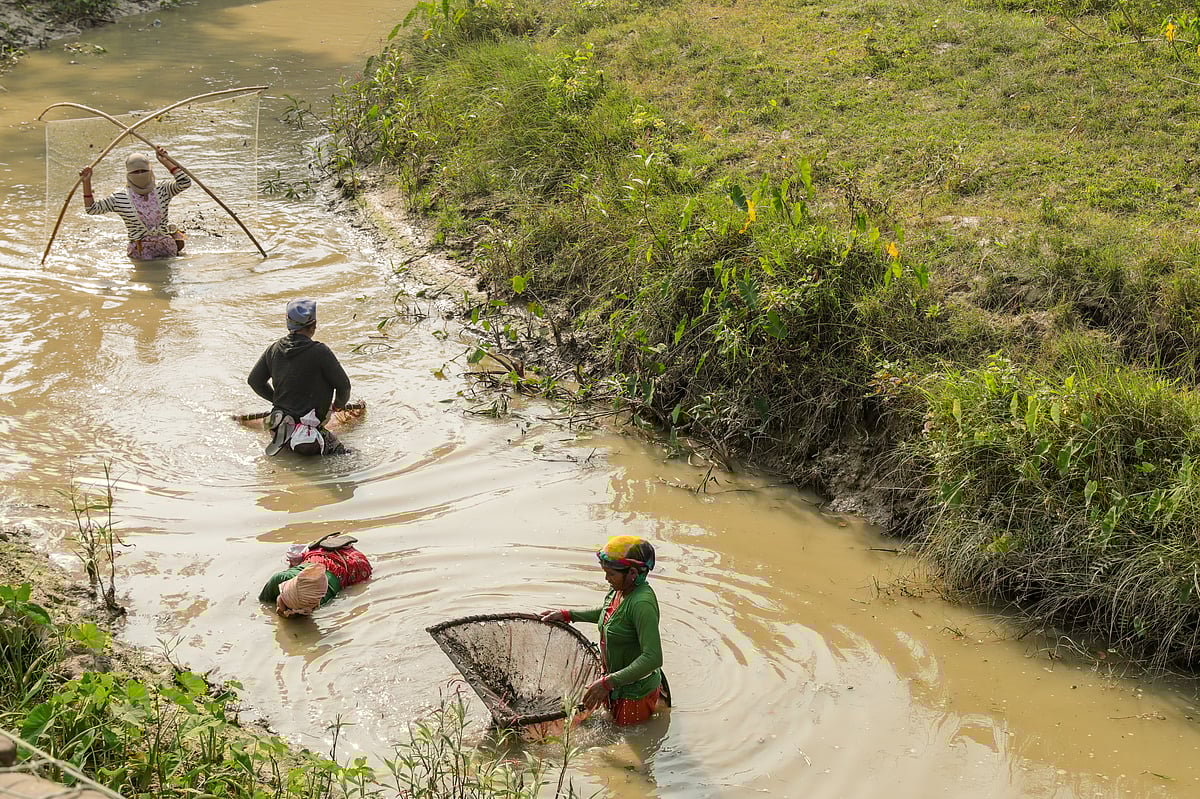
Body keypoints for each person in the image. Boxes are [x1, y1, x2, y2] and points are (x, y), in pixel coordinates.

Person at [541, 536, 670, 726]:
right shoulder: (619, 589)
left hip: (634, 694)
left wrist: (607, 683)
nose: (606, 578)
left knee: (628, 741)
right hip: (614, 681)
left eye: (611, 574)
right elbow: (608, 614)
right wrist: (568, 615)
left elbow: (653, 658)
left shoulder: (642, 603)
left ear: (632, 572)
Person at [247, 299, 353, 456]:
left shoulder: (274, 349)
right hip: (310, 429)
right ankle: (313, 435)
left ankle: (285, 429)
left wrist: (277, 400)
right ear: (314, 325)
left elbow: (254, 381)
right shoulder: (320, 352)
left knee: (287, 429)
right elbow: (344, 387)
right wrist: (338, 406)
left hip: (280, 422)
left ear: (288, 324)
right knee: (348, 455)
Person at [79, 147, 191, 260]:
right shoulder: (120, 198)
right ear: (128, 174)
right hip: (140, 254)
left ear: (150, 171)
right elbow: (91, 209)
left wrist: (166, 161)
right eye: (136, 172)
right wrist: (86, 182)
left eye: (144, 171)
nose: (140, 174)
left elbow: (185, 182)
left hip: (167, 251)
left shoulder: (162, 190)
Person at [259, 534, 372, 617]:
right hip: (316, 565)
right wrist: (281, 603)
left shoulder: (318, 598)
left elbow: (305, 611)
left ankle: (332, 548)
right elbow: (263, 601)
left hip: (334, 570)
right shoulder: (278, 579)